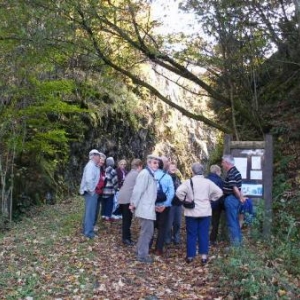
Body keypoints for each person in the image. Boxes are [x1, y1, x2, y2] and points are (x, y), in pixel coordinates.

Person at [176, 162, 223, 264]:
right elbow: (219, 192)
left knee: (191, 234)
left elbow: (178, 191)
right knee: (204, 234)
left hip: (191, 212)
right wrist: (211, 199)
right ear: (202, 171)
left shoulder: (188, 182)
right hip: (205, 211)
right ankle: (204, 256)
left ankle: (190, 256)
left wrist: (185, 199)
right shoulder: (208, 182)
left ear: (192, 171)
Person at [129, 154, 160, 263]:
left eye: (157, 163)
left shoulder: (150, 174)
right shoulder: (145, 174)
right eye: (154, 163)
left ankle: (139, 250)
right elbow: (138, 190)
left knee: (146, 231)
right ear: (149, 163)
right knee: (147, 232)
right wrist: (133, 203)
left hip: (148, 208)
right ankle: (142, 256)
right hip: (145, 209)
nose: (156, 165)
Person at [152, 156, 175, 256]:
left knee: (151, 227)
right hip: (164, 207)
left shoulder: (151, 175)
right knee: (162, 228)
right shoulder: (168, 177)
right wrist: (165, 205)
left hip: (151, 206)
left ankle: (148, 246)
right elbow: (171, 193)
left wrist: (152, 205)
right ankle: (158, 249)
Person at [118, 158, 143, 246]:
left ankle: (126, 237)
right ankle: (126, 239)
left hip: (122, 197)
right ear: (139, 166)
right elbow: (138, 188)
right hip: (127, 199)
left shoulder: (130, 173)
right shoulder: (136, 174)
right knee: (127, 220)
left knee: (126, 219)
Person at [221, 154, 245, 246]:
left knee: (232, 223)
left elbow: (234, 187)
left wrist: (240, 197)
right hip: (234, 199)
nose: (222, 164)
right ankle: (238, 243)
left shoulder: (231, 173)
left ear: (227, 163)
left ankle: (235, 247)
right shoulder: (236, 171)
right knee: (235, 221)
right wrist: (241, 197)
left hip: (231, 199)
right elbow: (239, 188)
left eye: (223, 162)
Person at [79, 149, 102, 239]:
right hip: (90, 192)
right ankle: (89, 233)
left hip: (90, 192)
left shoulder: (93, 166)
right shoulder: (91, 166)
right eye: (98, 156)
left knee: (88, 212)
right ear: (94, 156)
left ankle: (86, 229)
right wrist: (92, 190)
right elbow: (89, 180)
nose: (99, 157)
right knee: (90, 213)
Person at [165, 162, 182, 245]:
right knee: (169, 223)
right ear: (168, 168)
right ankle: (167, 238)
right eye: (171, 167)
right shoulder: (166, 177)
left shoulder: (178, 177)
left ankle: (176, 237)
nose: (173, 168)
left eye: (174, 167)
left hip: (178, 203)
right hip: (170, 203)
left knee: (178, 222)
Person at [207, 164, 224, 246]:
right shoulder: (220, 181)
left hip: (206, 204)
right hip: (216, 205)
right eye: (220, 171)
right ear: (217, 171)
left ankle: (203, 238)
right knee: (215, 223)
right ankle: (212, 240)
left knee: (205, 222)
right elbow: (221, 194)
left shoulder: (205, 180)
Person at [101, 157, 118, 221]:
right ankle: (107, 216)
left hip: (103, 190)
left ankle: (103, 215)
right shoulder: (113, 171)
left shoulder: (104, 170)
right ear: (113, 163)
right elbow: (115, 181)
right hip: (110, 190)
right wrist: (116, 188)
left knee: (104, 203)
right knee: (109, 203)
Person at [94, 153, 107, 229]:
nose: (102, 162)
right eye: (101, 160)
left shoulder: (102, 168)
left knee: (97, 209)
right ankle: (91, 225)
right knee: (94, 209)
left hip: (100, 192)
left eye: (103, 160)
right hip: (95, 192)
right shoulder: (95, 168)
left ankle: (94, 223)